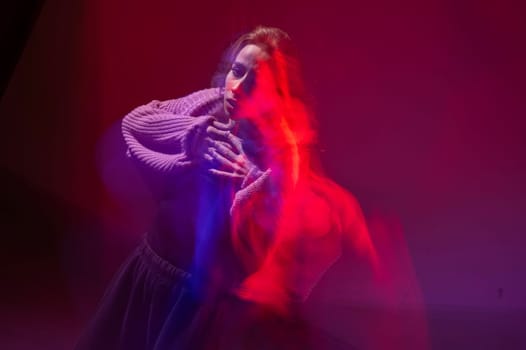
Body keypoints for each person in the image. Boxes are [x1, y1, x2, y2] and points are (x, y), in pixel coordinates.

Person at [76, 26, 377, 350]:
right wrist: (194, 137)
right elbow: (136, 123)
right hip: (149, 274)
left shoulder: (280, 156)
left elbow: (272, 237)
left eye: (255, 82)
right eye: (237, 70)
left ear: (278, 93)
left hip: (194, 306)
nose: (237, 88)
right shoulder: (209, 107)